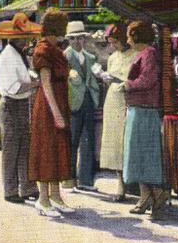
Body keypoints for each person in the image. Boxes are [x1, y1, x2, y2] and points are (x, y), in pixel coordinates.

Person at [0, 13, 42, 204]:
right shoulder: (8, 57)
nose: (26, 41)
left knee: (24, 147)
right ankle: (10, 189)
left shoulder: (19, 55)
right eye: (23, 38)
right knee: (12, 150)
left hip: (20, 104)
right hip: (10, 104)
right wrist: (35, 84)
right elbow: (15, 86)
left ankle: (26, 187)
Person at [29, 8, 74, 218]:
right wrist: (56, 114)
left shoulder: (56, 49)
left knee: (57, 149)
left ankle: (56, 196)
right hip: (48, 106)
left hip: (59, 102)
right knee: (47, 150)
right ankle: (43, 198)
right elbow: (45, 85)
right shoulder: (43, 50)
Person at [122, 21, 169, 220]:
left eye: (129, 35)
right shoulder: (146, 53)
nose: (127, 39)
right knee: (137, 155)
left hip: (144, 110)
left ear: (136, 36)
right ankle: (145, 196)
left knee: (143, 155)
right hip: (139, 109)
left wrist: (127, 85)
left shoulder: (148, 53)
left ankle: (156, 194)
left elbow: (148, 80)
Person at [99, 23, 138, 202]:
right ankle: (120, 185)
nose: (113, 46)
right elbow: (110, 78)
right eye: (111, 43)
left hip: (128, 99)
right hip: (113, 99)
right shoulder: (113, 57)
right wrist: (105, 77)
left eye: (116, 42)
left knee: (128, 141)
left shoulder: (135, 55)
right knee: (115, 143)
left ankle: (134, 184)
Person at [63, 20, 100, 192]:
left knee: (88, 140)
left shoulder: (91, 58)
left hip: (89, 102)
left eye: (80, 38)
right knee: (71, 141)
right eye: (73, 39)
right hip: (72, 103)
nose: (77, 42)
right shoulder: (65, 57)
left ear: (84, 39)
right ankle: (69, 179)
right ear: (68, 40)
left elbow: (94, 79)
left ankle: (85, 180)